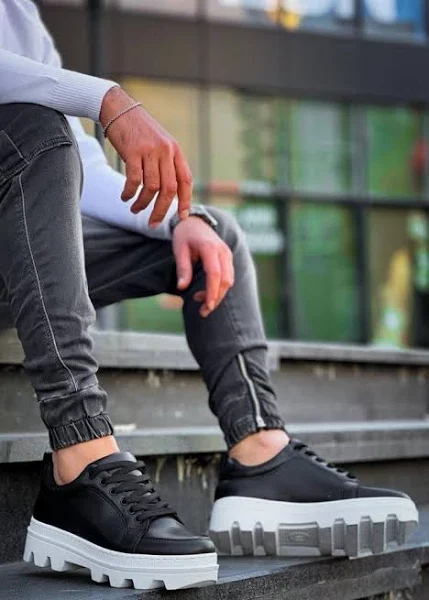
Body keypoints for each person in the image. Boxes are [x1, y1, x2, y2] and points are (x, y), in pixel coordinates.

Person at [0, 0, 418, 592]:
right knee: (32, 129)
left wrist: (181, 218)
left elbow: (81, 169)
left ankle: (259, 453)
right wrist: (107, 98)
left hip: (20, 253)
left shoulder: (18, 13)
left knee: (210, 233)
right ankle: (80, 454)